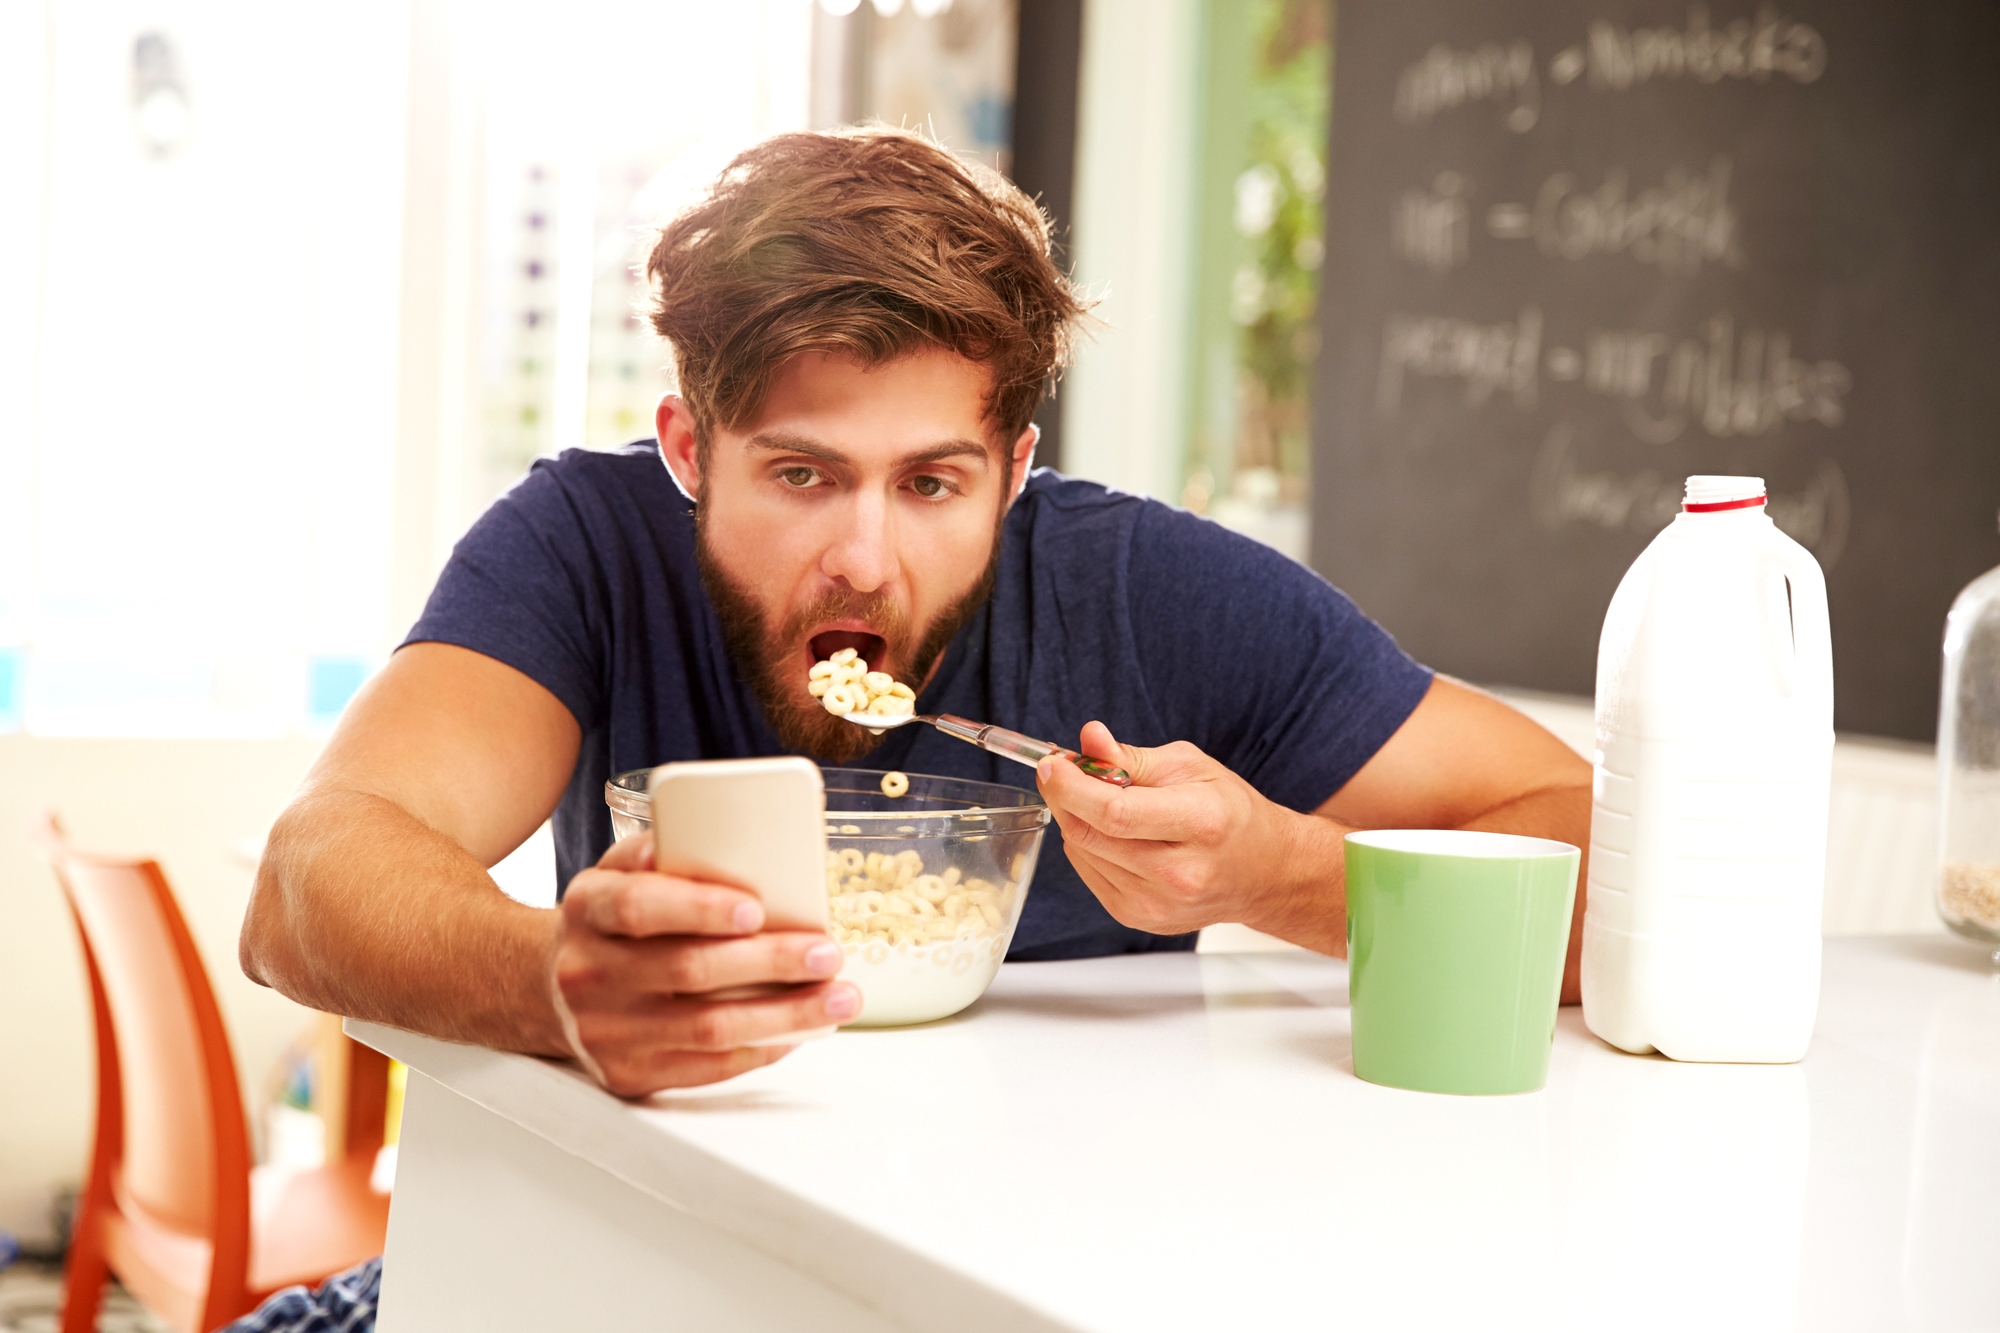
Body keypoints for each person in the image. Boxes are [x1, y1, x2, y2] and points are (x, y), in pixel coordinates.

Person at [240, 127, 1590, 1104]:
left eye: (932, 482)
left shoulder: (1145, 589)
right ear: (691, 450)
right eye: (800, 473)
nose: (864, 560)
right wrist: (556, 979)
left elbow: (1594, 858)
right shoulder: (586, 548)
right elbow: (307, 884)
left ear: (1013, 470)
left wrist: (1278, 873)